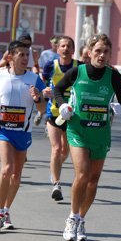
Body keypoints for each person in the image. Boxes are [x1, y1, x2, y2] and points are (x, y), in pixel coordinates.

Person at [55, 33, 121, 241]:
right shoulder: (77, 71)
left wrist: (119, 108)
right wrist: (62, 105)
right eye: (97, 51)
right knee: (83, 174)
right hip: (78, 130)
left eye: (106, 51)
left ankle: (81, 219)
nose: (102, 55)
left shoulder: (113, 76)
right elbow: (58, 89)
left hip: (101, 132)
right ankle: (72, 217)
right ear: (89, 53)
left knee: (93, 181)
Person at [0, 40, 47, 231]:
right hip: (3, 129)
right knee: (7, 169)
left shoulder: (34, 79)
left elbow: (43, 108)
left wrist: (38, 98)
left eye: (27, 55)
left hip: (23, 131)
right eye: (21, 55)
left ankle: (7, 209)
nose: (25, 59)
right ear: (10, 57)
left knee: (17, 176)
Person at [42, 35, 80, 201]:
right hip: (54, 113)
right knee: (57, 149)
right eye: (62, 46)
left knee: (65, 152)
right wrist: (44, 90)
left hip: (72, 115)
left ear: (73, 50)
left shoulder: (80, 67)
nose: (65, 49)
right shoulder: (51, 65)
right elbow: (41, 82)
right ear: (57, 49)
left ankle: (55, 167)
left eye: (68, 46)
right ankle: (56, 184)